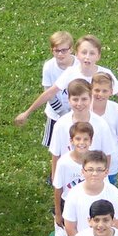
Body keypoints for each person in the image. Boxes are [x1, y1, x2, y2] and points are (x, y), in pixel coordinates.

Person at [16, 34, 118, 143]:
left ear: (98, 56)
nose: (87, 57)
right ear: (77, 54)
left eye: (92, 53)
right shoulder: (70, 73)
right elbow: (49, 93)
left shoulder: (105, 74)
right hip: (76, 124)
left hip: (96, 125)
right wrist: (27, 112)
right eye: (84, 52)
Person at [62, 151, 118, 236]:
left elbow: (117, 225)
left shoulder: (114, 193)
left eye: (99, 170)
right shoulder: (73, 194)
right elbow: (70, 227)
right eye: (90, 169)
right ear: (83, 172)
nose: (94, 173)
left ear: (106, 172)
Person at [37, 31, 77, 163]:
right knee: (56, 146)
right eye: (57, 50)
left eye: (64, 50)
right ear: (52, 50)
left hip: (77, 112)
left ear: (71, 49)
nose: (60, 54)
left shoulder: (79, 65)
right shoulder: (49, 67)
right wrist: (62, 113)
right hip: (56, 114)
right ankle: (56, 170)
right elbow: (49, 93)